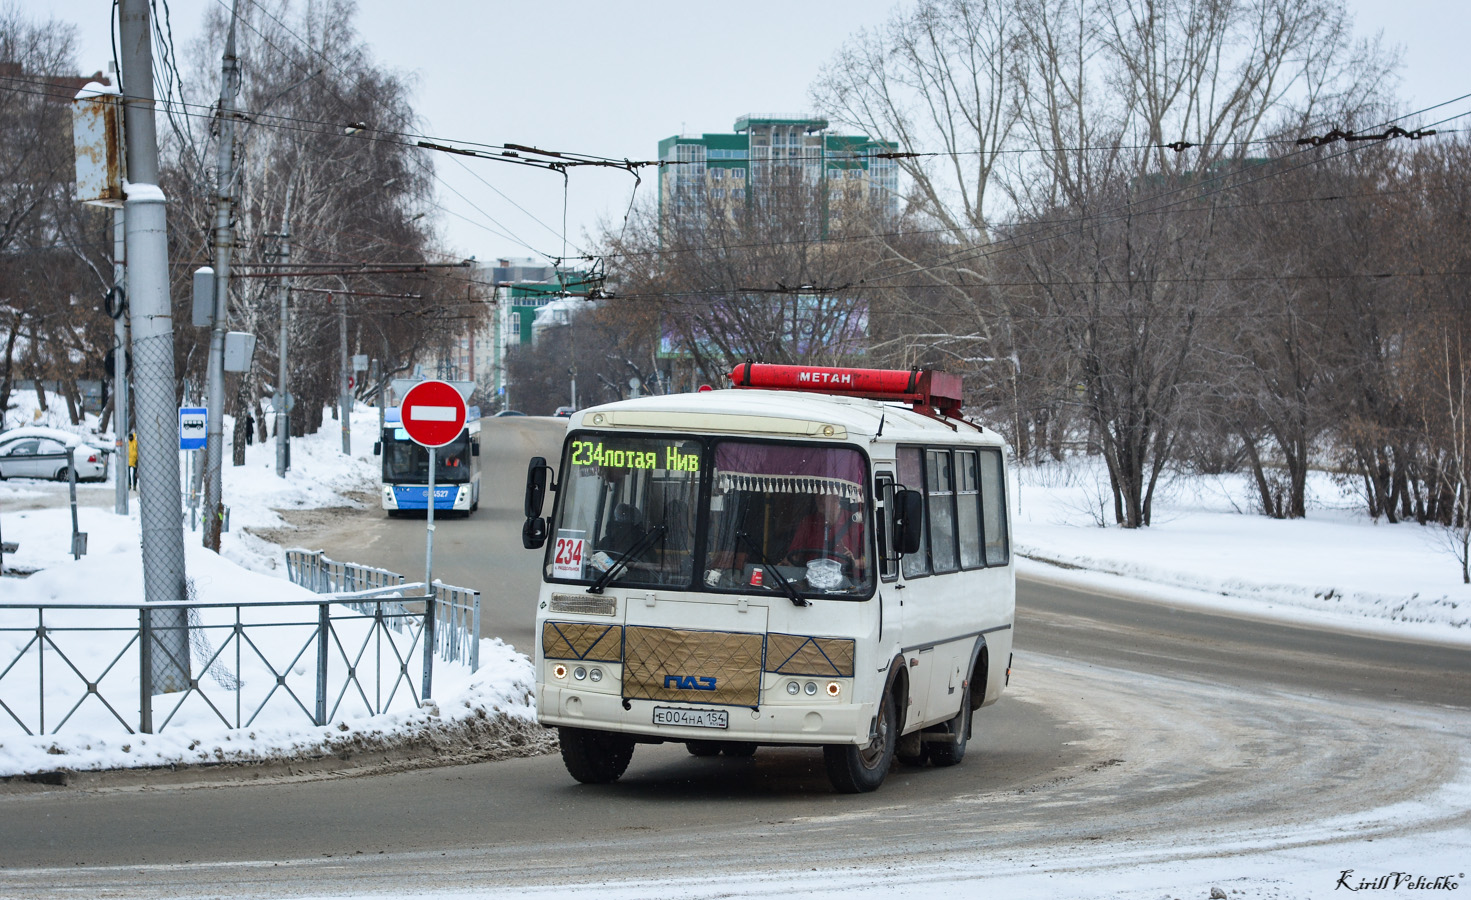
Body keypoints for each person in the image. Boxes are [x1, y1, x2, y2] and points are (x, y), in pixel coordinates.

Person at [785, 493, 865, 574]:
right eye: (817, 493)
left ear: (836, 497)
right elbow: (794, 556)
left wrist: (855, 562)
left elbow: (870, 561)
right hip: (812, 578)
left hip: (846, 579)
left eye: (823, 493)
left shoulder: (856, 521)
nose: (819, 498)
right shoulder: (808, 522)